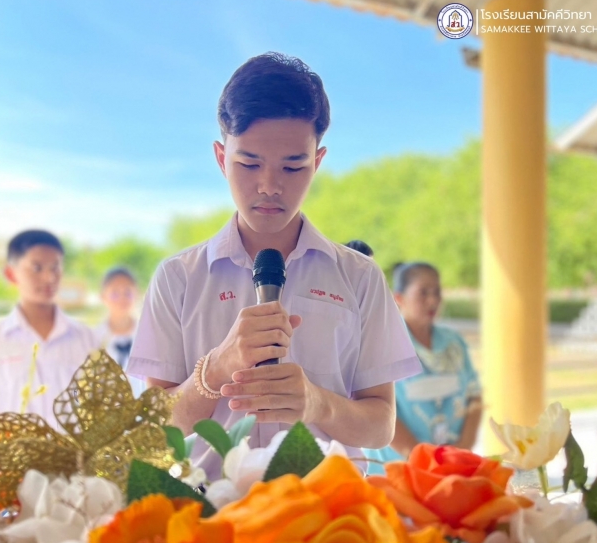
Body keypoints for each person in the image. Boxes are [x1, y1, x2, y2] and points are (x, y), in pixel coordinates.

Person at [127, 52, 422, 478]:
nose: (269, 186)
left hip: (328, 508)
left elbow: (381, 427)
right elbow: (155, 430)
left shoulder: (359, 277)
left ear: (317, 162)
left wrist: (318, 404)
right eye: (249, 164)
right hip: (212, 510)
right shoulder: (177, 278)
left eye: (292, 166)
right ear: (220, 158)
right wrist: (216, 368)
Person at [363, 262, 482, 474]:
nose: (433, 300)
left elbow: (474, 396)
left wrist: (463, 449)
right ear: (399, 298)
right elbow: (376, 408)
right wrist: (426, 462)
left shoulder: (454, 343)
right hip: (397, 470)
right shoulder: (383, 343)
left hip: (452, 467)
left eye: (437, 292)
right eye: (423, 292)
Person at [0, 230, 96, 427]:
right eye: (37, 268)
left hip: (75, 447)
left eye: (55, 267)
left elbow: (99, 403)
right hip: (14, 446)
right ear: (11, 273)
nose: (49, 277)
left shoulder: (85, 337)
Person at [93, 266, 144, 396]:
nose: (122, 298)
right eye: (115, 294)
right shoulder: (93, 338)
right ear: (103, 296)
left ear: (137, 294)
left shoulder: (148, 336)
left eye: (127, 293)